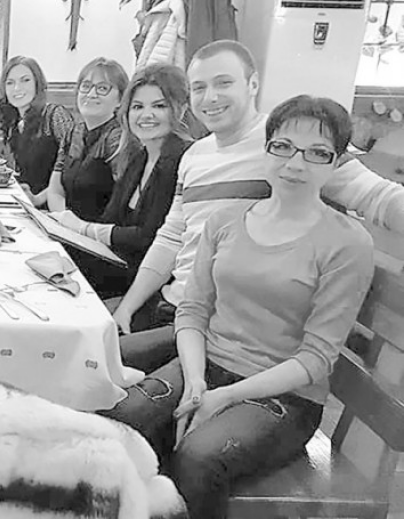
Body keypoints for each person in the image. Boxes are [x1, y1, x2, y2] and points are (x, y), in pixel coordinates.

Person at [105, 95, 374, 518]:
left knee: (198, 456)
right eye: (283, 146)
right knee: (125, 417)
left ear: (336, 163)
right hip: (208, 365)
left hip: (284, 395)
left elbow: (317, 358)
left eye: (317, 153)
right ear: (266, 150)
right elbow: (193, 312)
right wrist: (196, 382)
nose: (295, 163)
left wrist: (226, 396)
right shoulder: (226, 221)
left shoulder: (347, 243)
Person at [108, 40, 404, 373]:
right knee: (82, 345)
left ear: (252, 84)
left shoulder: (286, 146)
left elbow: (379, 197)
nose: (210, 97)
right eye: (199, 88)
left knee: (96, 366)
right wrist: (128, 307)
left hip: (224, 332)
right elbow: (172, 236)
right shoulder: (194, 155)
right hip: (174, 306)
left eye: (223, 83)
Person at [53, 63, 192, 298]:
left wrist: (80, 227)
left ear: (181, 109)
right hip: (116, 266)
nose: (146, 115)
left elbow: (147, 237)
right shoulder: (141, 157)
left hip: (149, 285)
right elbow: (110, 218)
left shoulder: (181, 159)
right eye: (138, 106)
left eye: (159, 106)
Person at [28, 57, 128, 218]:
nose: (91, 94)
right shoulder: (73, 132)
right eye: (86, 86)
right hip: (68, 225)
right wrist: (66, 219)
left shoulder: (119, 138)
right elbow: (55, 190)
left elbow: (122, 203)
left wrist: (81, 228)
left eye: (102, 88)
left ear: (120, 100)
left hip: (100, 230)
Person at [0, 56, 74, 198]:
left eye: (25, 80)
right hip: (26, 202)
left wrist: (38, 199)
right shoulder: (14, 122)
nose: (17, 88)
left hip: (55, 205)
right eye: (10, 83)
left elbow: (73, 171)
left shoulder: (54, 115)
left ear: (37, 84)